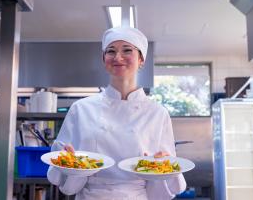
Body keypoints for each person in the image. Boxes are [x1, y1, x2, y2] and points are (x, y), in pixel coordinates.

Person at [47, 27, 186, 200]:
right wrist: (73, 164)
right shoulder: (81, 109)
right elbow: (63, 181)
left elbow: (164, 189)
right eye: (111, 51)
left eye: (127, 50)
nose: (118, 58)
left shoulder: (157, 113)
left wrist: (160, 165)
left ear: (141, 59)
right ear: (103, 59)